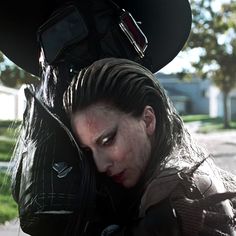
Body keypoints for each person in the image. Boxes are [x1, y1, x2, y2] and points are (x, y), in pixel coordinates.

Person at [63, 57, 236, 236]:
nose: (100, 165)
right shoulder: (176, 170)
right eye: (89, 150)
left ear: (148, 120)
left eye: (108, 140)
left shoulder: (171, 189)